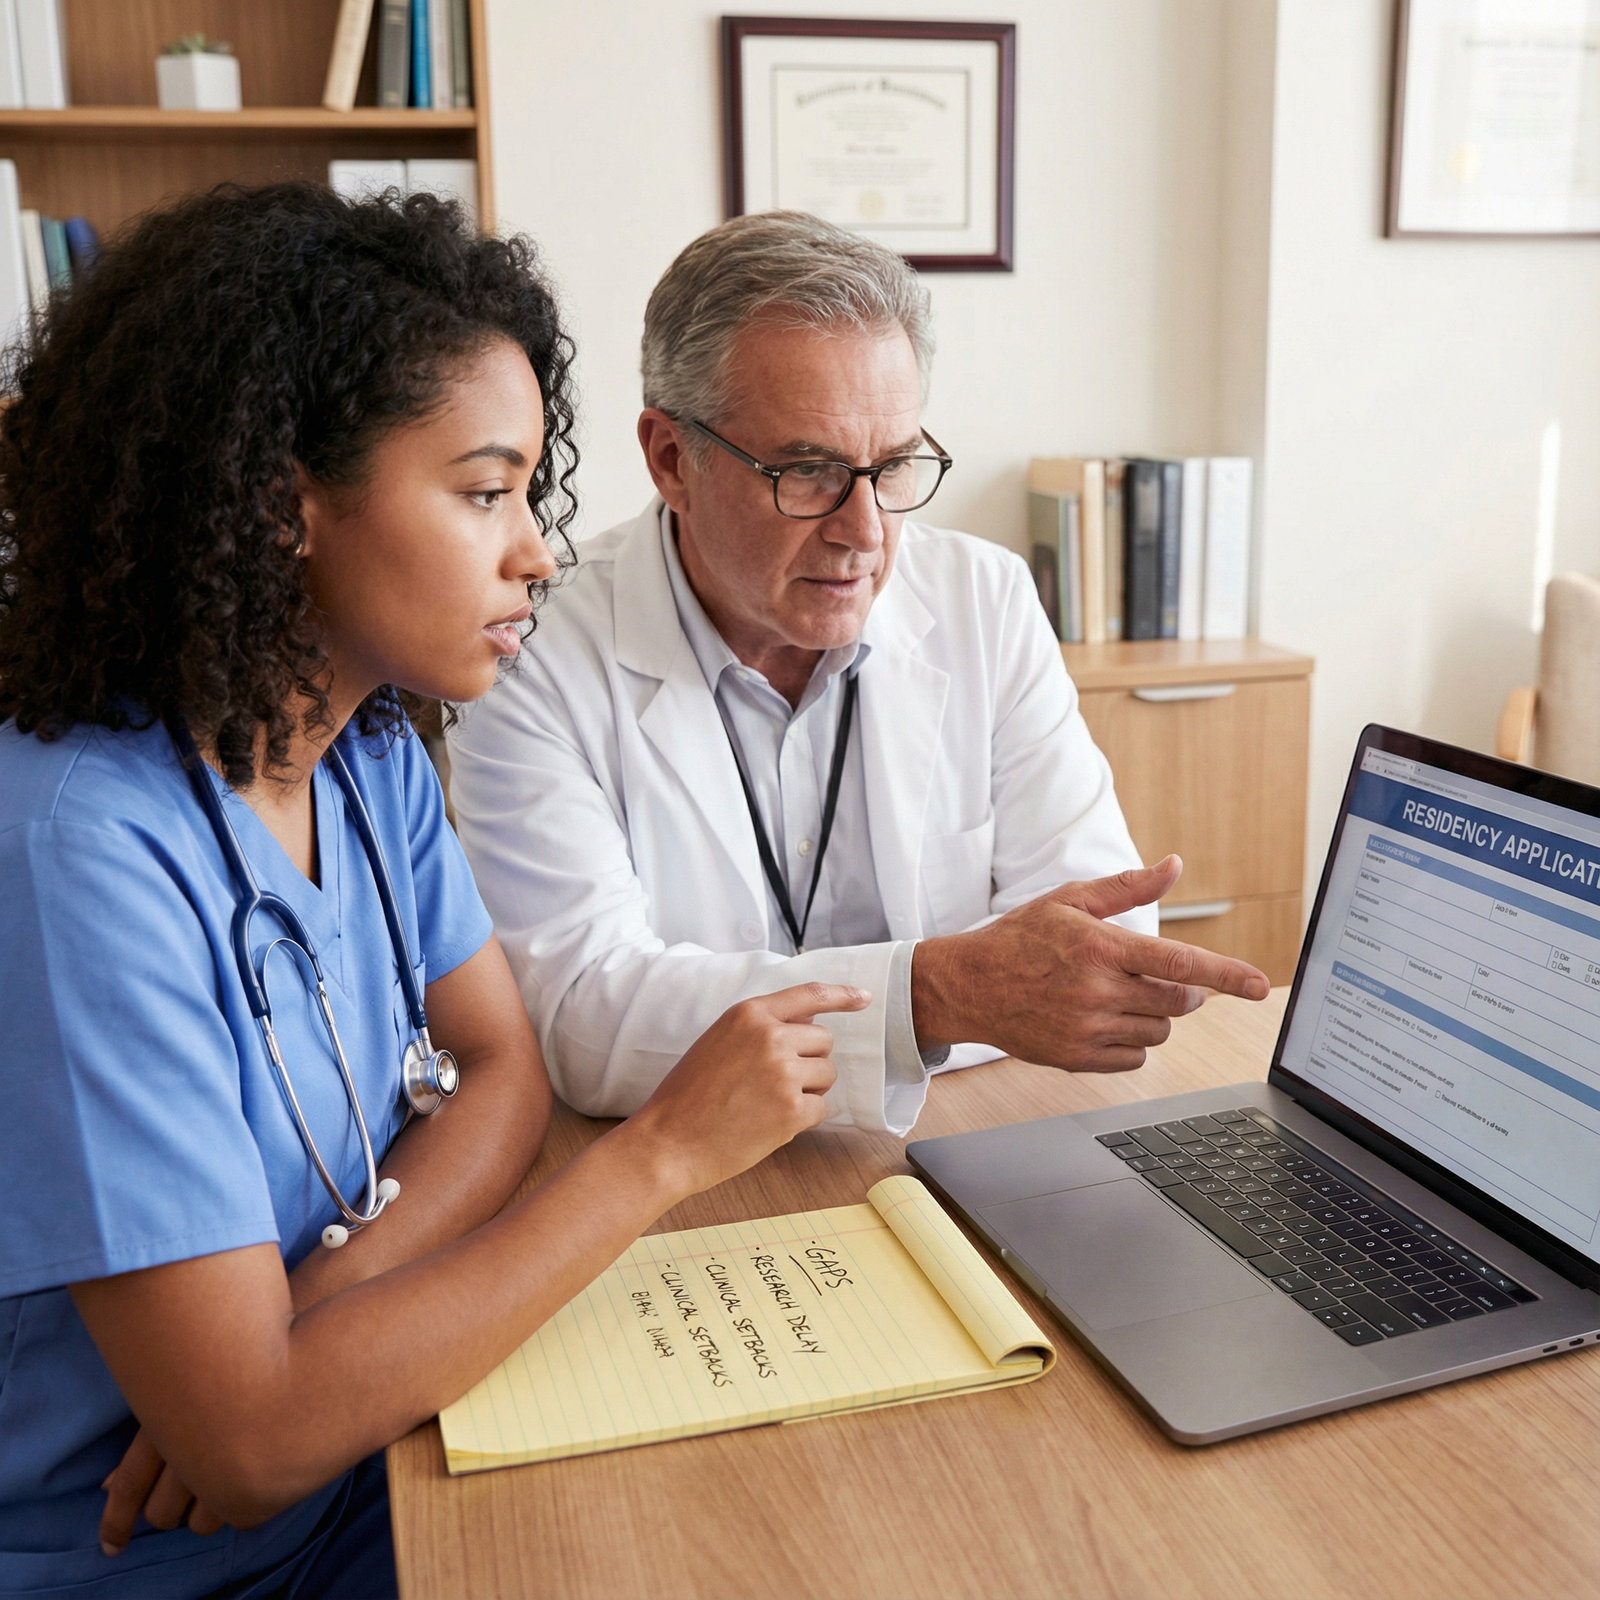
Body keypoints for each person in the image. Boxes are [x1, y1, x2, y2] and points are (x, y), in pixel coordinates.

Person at [0, 184, 865, 1599]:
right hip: (170, 1570)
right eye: (482, 493)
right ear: (284, 506)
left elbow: (504, 1068)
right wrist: (659, 1155)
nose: (535, 547)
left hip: (371, 1459)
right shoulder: (81, 854)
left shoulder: (363, 751)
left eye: (530, 488)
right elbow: (251, 1446)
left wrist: (310, 1326)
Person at [445, 211, 1270, 1137]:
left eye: (894, 467)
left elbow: (1094, 959)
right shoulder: (532, 645)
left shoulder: (983, 600)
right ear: (672, 459)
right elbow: (588, 1022)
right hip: (680, 1177)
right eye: (808, 472)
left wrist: (924, 1008)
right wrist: (940, 997)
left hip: (962, 1137)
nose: (865, 531)